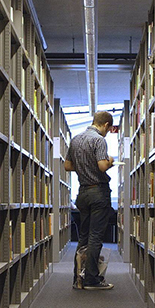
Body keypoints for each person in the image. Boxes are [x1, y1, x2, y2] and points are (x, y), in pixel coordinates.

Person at [64, 111, 118, 290]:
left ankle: (77, 277)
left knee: (84, 237)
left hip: (82, 193)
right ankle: (92, 279)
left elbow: (68, 165)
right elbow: (102, 166)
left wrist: (84, 167)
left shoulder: (76, 139)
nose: (108, 132)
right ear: (105, 125)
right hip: (98, 192)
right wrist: (110, 160)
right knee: (96, 237)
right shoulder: (98, 140)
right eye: (109, 129)